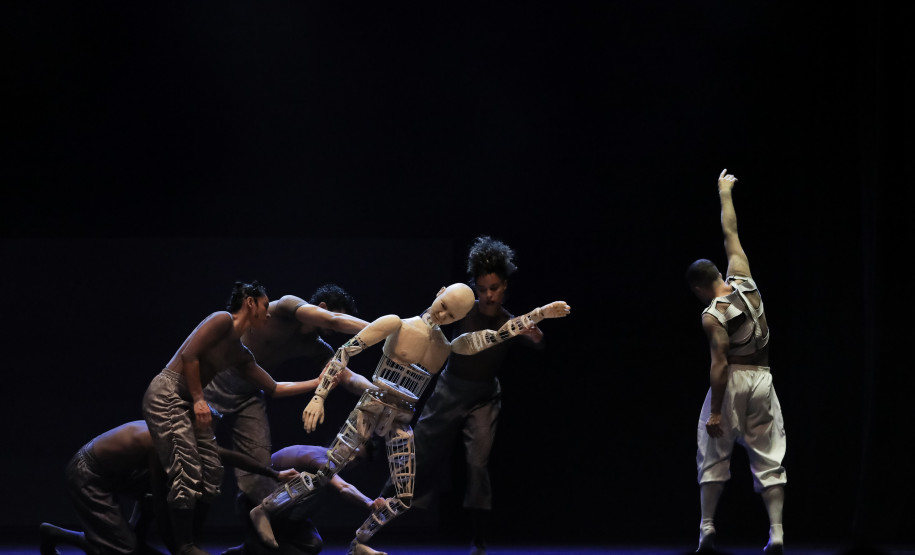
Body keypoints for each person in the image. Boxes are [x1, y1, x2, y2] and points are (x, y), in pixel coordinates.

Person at [248, 283, 570, 555]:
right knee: (325, 472)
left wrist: (537, 315)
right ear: (439, 293)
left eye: (452, 315)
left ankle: (359, 542)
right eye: (443, 306)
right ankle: (264, 508)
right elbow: (345, 351)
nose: (443, 315)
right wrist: (319, 396)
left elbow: (494, 336)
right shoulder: (396, 324)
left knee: (403, 497)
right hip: (371, 406)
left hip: (401, 419)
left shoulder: (448, 346)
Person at [389, 235, 547, 555]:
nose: (489, 295)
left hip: (484, 398)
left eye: (495, 288)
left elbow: (539, 343)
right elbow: (424, 322)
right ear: (475, 287)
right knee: (419, 447)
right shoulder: (463, 311)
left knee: (477, 465)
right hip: (450, 389)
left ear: (505, 287)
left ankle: (479, 538)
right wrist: (435, 307)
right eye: (483, 288)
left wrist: (535, 335)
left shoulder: (509, 322)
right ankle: (382, 510)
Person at [142, 280, 323, 555]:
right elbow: (190, 355)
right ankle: (183, 546)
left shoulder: (241, 353)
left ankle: (191, 540)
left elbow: (273, 387)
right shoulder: (221, 319)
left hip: (191, 400)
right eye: (265, 305)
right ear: (250, 303)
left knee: (212, 471)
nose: (269, 313)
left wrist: (317, 383)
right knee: (187, 469)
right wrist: (200, 399)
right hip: (168, 393)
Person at [686, 170, 787, 554]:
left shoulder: (712, 314)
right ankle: (776, 531)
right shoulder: (744, 279)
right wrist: (724, 192)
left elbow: (719, 365)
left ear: (698, 288)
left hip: (734, 381)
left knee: (712, 449)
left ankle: (706, 528)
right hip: (764, 378)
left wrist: (715, 412)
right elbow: (731, 233)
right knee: (769, 452)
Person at [204, 284, 373, 507]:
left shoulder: (316, 347)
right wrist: (385, 329)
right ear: (322, 307)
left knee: (259, 467)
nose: (338, 331)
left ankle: (256, 529)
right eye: (340, 319)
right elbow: (332, 320)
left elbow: (346, 377)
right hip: (214, 382)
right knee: (197, 456)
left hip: (250, 393)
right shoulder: (287, 305)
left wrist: (377, 391)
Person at [38, 420, 300, 555]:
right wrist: (179, 547)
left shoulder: (188, 435)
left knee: (164, 494)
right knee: (125, 549)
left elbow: (225, 454)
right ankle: (62, 535)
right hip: (88, 473)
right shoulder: (160, 443)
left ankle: (119, 539)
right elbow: (162, 496)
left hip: (117, 470)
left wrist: (273, 473)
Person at [222, 444, 386, 555]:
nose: (350, 459)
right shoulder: (318, 456)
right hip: (253, 504)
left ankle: (248, 549)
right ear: (342, 442)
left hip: (283, 517)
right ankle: (250, 549)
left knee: (313, 544)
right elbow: (344, 487)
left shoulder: (329, 469)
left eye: (357, 459)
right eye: (351, 451)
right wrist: (369, 502)